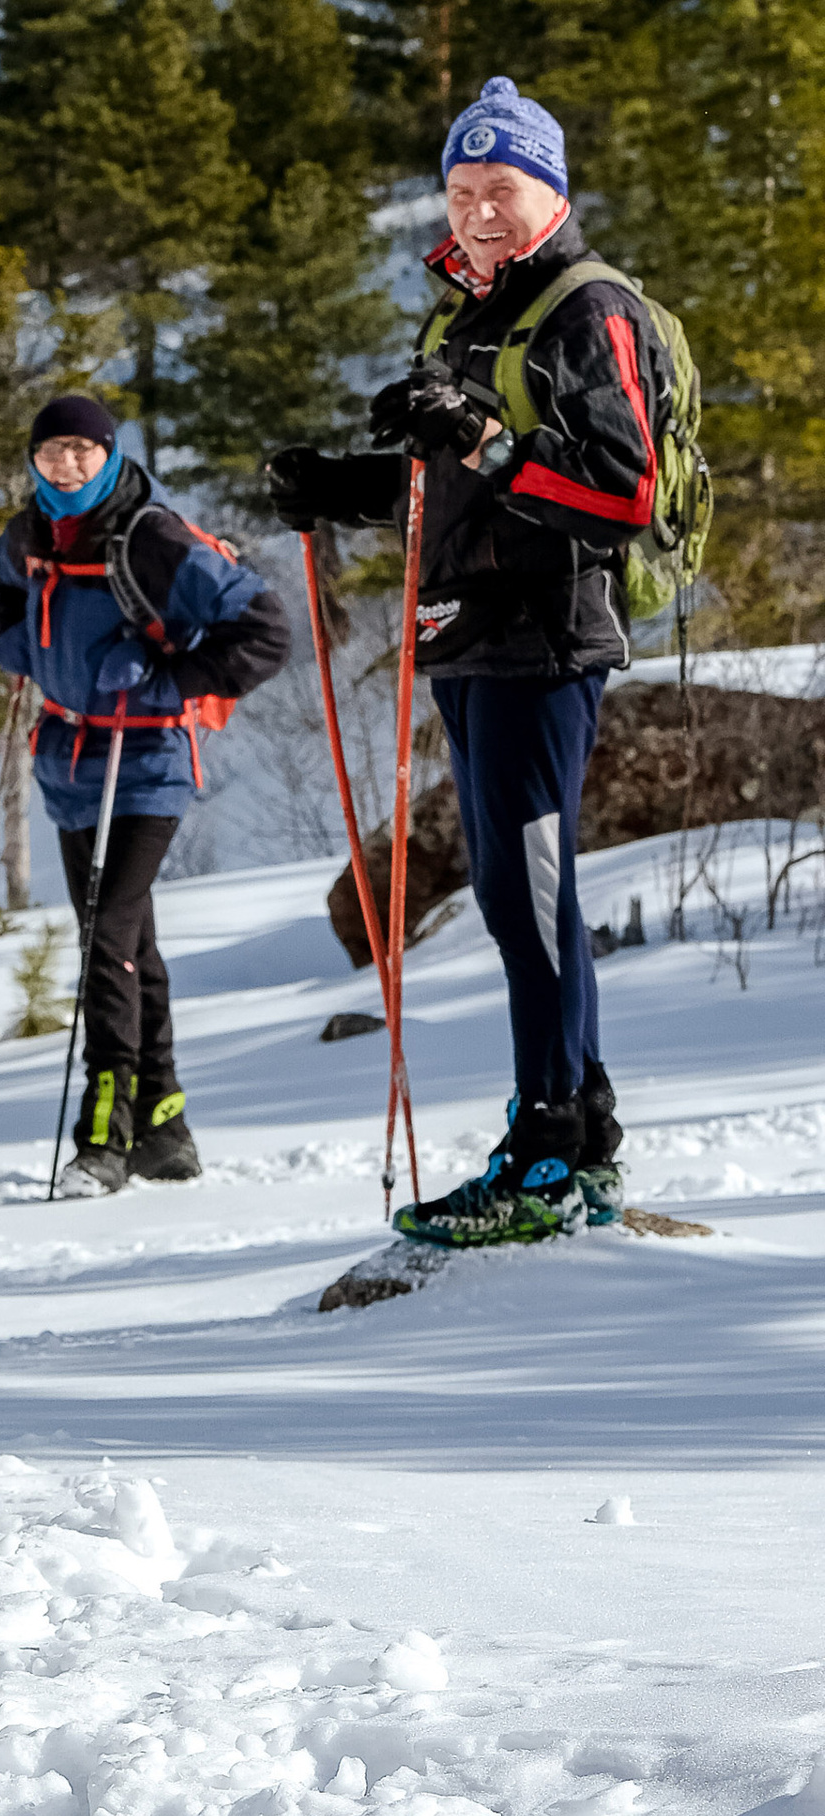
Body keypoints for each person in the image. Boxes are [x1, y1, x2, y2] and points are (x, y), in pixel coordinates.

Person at [267, 76, 670, 1249]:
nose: (480, 210)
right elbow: (440, 486)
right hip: (465, 630)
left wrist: (482, 439)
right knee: (507, 890)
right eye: (460, 190)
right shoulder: (464, 314)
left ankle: (551, 1145)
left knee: (528, 895)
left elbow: (621, 491)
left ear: (551, 191)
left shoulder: (586, 308)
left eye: (503, 187)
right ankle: (575, 1129)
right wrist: (339, 484)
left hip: (545, 632)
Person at [0, 393, 291, 1191]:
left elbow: (266, 629)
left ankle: (104, 1133)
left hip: (147, 760)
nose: (67, 464)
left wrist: (168, 681)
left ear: (110, 453)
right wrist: (15, 642)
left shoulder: (150, 537)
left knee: (106, 936)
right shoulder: (33, 531)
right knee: (129, 943)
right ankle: (165, 1125)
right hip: (69, 763)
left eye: (82, 449)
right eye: (51, 451)